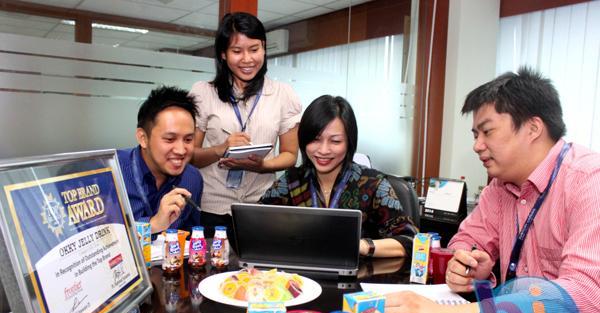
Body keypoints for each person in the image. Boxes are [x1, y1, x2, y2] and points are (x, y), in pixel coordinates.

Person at [383, 67, 600, 313]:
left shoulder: (589, 182)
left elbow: (586, 296)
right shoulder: (500, 187)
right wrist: (469, 261)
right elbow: (466, 239)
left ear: (533, 128)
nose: (477, 145)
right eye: (475, 135)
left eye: (487, 132)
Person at [189, 12, 301, 241]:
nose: (247, 59)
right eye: (237, 51)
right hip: (211, 208)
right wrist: (221, 148)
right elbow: (190, 155)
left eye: (254, 49)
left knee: (259, 276)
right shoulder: (204, 93)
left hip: (260, 206)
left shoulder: (283, 94)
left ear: (264, 48)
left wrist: (263, 166)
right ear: (223, 54)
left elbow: (290, 155)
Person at [260, 95, 417, 257]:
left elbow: (410, 241)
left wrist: (361, 246)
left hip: (359, 276)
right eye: (315, 140)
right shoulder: (291, 181)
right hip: (303, 278)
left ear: (349, 142)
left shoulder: (373, 184)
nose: (323, 150)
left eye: (335, 141)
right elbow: (254, 224)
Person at [118, 86, 202, 234]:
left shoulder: (192, 179)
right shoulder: (112, 173)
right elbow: (99, 240)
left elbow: (190, 237)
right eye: (170, 139)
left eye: (188, 139)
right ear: (143, 138)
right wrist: (153, 225)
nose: (181, 150)